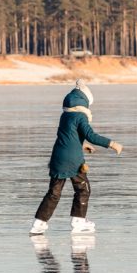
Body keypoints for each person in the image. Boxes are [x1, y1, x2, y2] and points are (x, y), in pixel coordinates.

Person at [31, 81, 123, 235]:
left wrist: (81, 145)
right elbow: (91, 135)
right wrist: (112, 144)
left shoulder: (65, 115)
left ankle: (39, 223)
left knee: (54, 192)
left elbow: (68, 136)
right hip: (73, 161)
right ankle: (78, 221)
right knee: (83, 189)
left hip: (58, 157)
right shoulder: (80, 116)